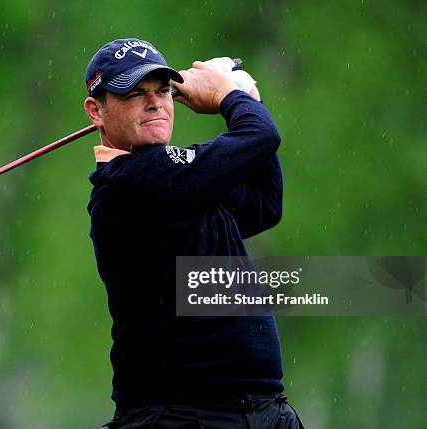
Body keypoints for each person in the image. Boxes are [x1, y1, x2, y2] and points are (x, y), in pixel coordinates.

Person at [84, 38, 303, 429]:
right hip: (181, 415)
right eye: (134, 94)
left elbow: (263, 203)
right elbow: (260, 136)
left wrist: (247, 95)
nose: (155, 103)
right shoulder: (127, 184)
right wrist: (227, 96)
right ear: (96, 111)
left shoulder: (179, 179)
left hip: (260, 411)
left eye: (164, 90)